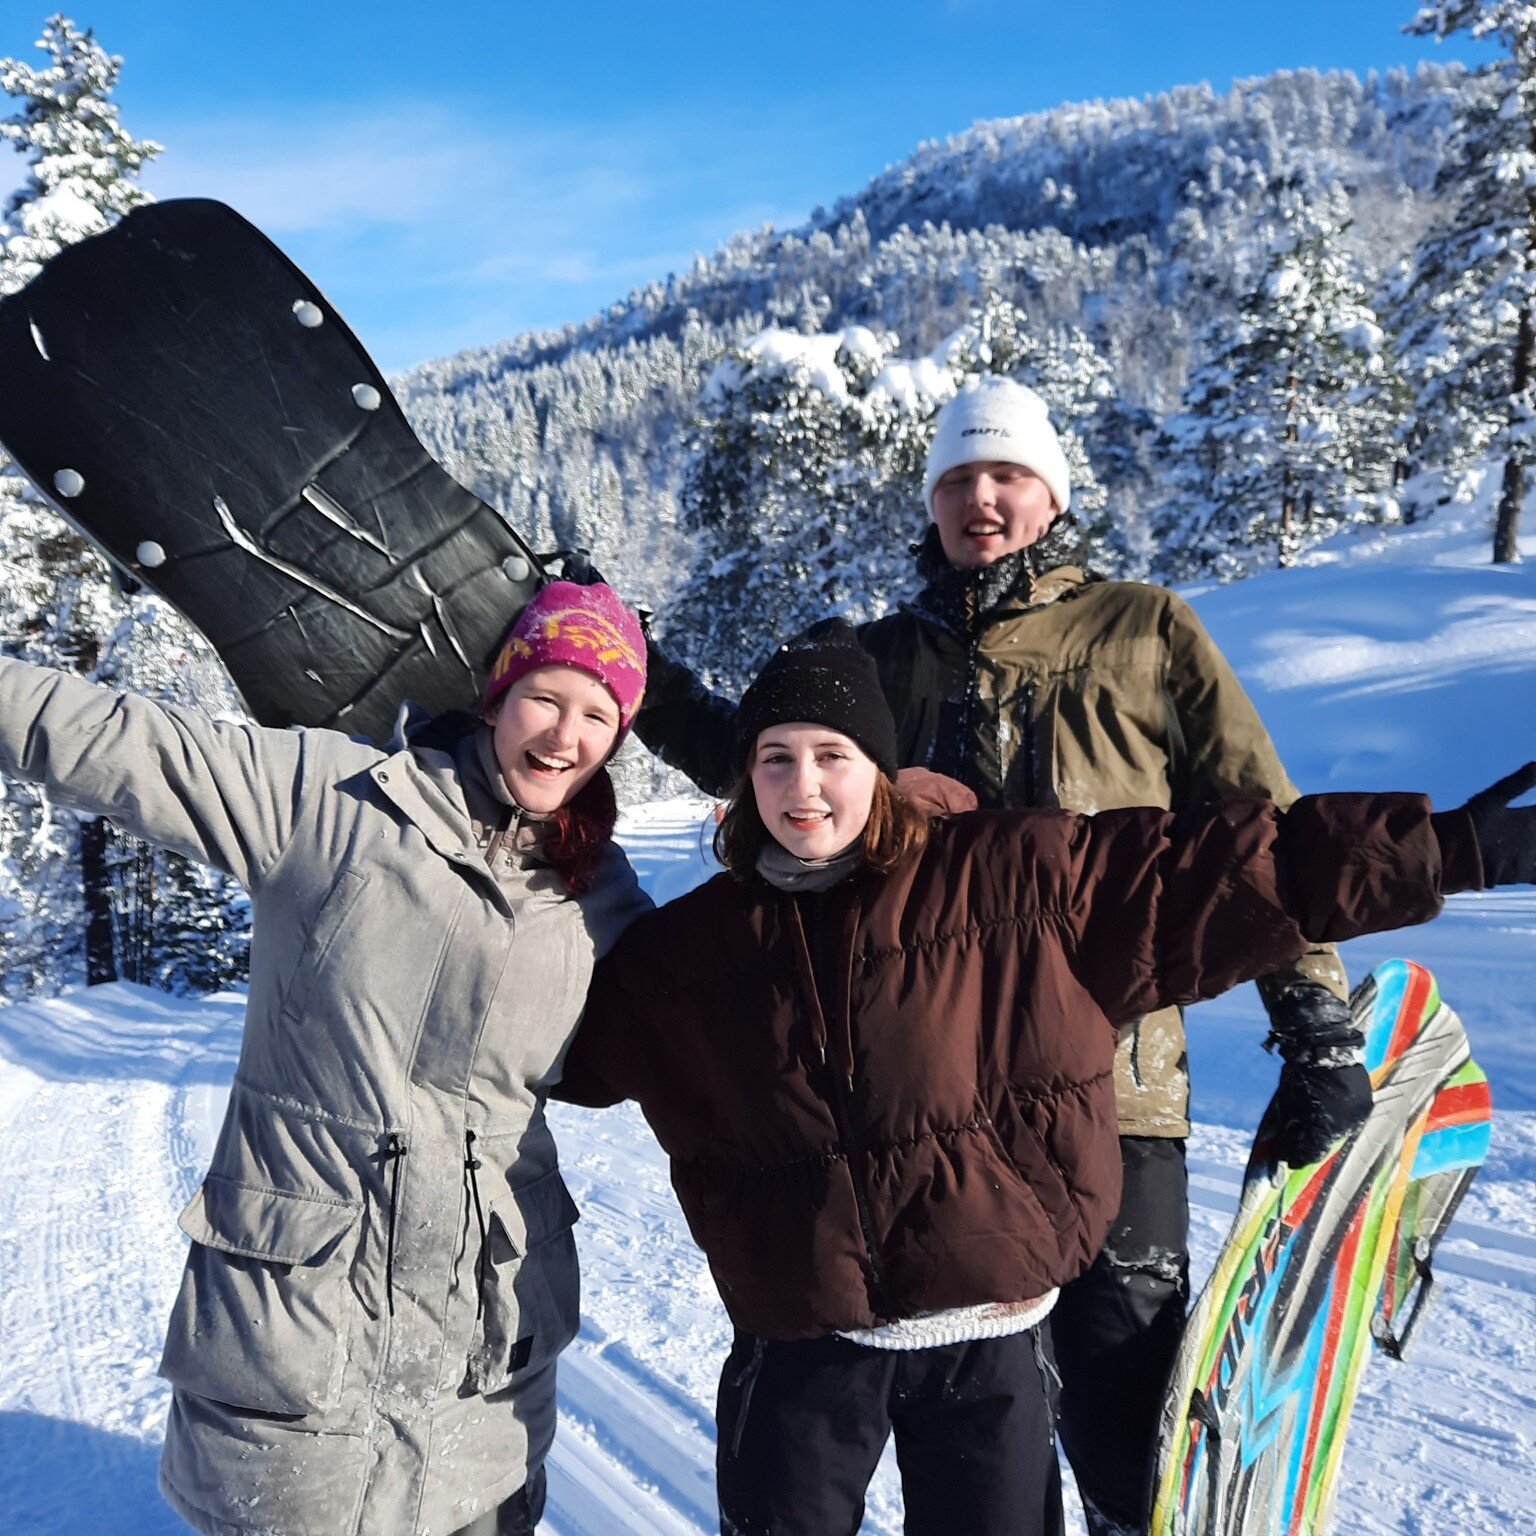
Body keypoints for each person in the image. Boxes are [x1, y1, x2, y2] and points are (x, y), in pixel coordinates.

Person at [558, 619, 1534, 1536]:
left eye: (831, 756)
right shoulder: (695, 949)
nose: (803, 786)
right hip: (801, 1351)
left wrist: (1451, 850)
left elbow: (1224, 871)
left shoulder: (1014, 880)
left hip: (989, 1343)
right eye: (776, 757)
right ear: (744, 778)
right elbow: (560, 1045)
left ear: (881, 770)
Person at [631, 376, 1364, 1533]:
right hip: (918, 1107)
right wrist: (639, 674)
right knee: (922, 1413)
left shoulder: (1143, 629)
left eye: (1007, 474)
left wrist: (1313, 1020)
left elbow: (1251, 829)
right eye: (959, 478)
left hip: (1114, 1081)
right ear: (930, 500)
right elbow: (770, 765)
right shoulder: (876, 658)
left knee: (1121, 1394)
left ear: (1051, 494)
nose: (982, 498)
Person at [0, 581, 652, 1536]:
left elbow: (735, 1023)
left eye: (600, 714)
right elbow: (118, 741)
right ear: (496, 693)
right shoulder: (329, 800)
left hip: (486, 1383)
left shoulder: (600, 901)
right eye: (548, 696)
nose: (565, 736)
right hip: (301, 1357)